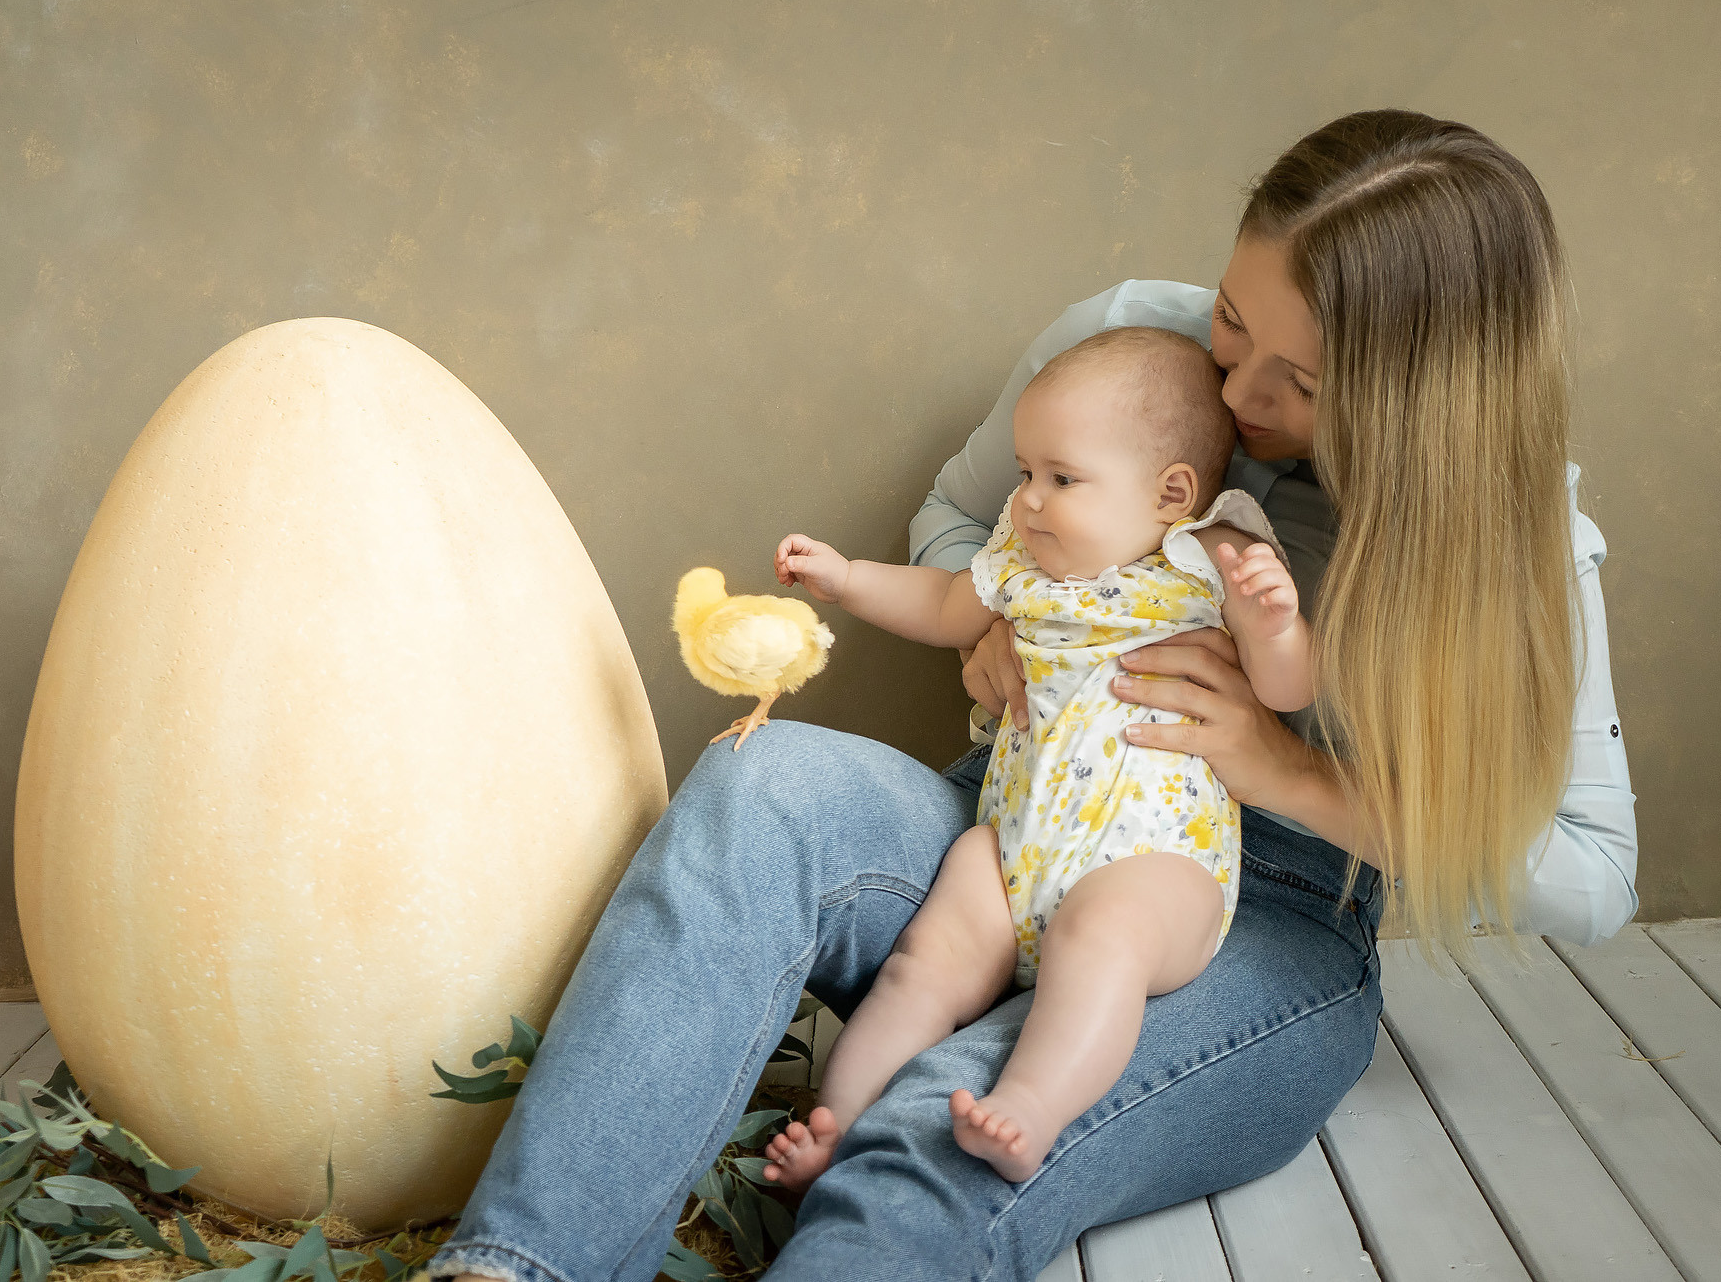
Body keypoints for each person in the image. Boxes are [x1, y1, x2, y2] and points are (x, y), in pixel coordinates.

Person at [423, 108, 1638, 1282]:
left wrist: (1287, 770)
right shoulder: (1127, 345)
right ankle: (512, 1267)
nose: (1235, 396)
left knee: (951, 1120)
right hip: (1010, 817)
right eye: (1232, 317)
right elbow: (956, 520)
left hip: (1251, 909)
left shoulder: (1517, 538)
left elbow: (1593, 874)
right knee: (763, 779)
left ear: (1415, 403)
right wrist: (998, 621)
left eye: (1303, 384)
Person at [763, 325, 1309, 1186]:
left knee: (1102, 936)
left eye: (1061, 478)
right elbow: (943, 604)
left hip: (1155, 863)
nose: (1028, 500)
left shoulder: (1211, 555)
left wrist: (1277, 627)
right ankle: (837, 1122)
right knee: (922, 965)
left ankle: (1029, 1106)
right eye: (1024, 473)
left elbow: (1283, 691)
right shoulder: (1019, 559)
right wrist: (849, 578)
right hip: (1016, 849)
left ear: (1170, 492)